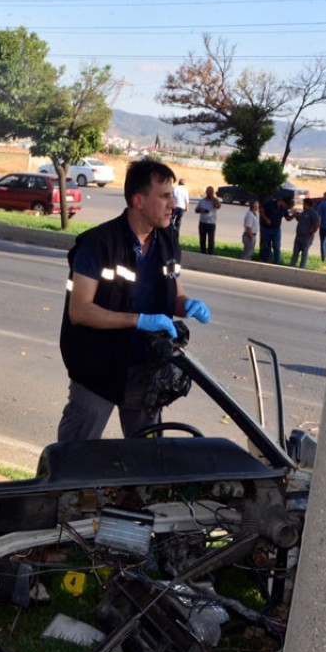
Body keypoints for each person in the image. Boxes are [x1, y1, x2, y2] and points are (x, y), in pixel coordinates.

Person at [57, 159, 212, 441]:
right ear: (139, 201)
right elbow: (80, 311)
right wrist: (138, 320)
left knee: (148, 459)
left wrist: (186, 305)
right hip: (97, 370)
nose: (173, 205)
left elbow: (176, 293)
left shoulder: (167, 242)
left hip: (146, 370)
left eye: (172, 196)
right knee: (75, 458)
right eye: (164, 196)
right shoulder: (98, 245)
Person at [259, 192, 291, 263]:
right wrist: (266, 218)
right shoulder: (271, 204)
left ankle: (277, 261)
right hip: (266, 228)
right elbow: (261, 211)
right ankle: (266, 260)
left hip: (276, 229)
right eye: (285, 204)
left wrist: (294, 216)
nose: (285, 206)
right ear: (282, 201)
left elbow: (287, 218)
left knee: (276, 246)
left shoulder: (284, 209)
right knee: (266, 246)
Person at [290, 198, 319, 268]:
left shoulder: (313, 213)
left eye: (304, 204)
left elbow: (317, 224)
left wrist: (311, 232)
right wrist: (296, 215)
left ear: (307, 204)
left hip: (306, 237)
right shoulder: (304, 212)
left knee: (304, 252)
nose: (303, 205)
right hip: (299, 235)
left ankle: (302, 266)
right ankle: (292, 265)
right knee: (295, 252)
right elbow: (300, 220)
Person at [195, 186, 220, 254]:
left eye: (211, 193)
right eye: (208, 193)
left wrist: (213, 198)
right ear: (206, 192)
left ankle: (210, 252)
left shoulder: (214, 201)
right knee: (202, 239)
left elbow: (218, 206)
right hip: (203, 222)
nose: (209, 194)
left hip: (211, 223)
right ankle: (203, 251)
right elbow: (196, 210)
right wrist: (200, 210)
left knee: (211, 240)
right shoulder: (202, 201)